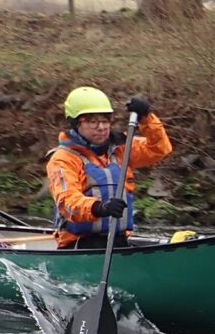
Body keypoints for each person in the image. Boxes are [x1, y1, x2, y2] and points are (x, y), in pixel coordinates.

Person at [46, 86, 172, 249]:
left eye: (105, 121)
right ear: (77, 124)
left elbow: (159, 149)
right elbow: (67, 202)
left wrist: (146, 118)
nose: (102, 127)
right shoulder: (63, 159)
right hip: (80, 244)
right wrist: (99, 208)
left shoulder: (121, 149)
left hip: (118, 241)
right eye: (93, 121)